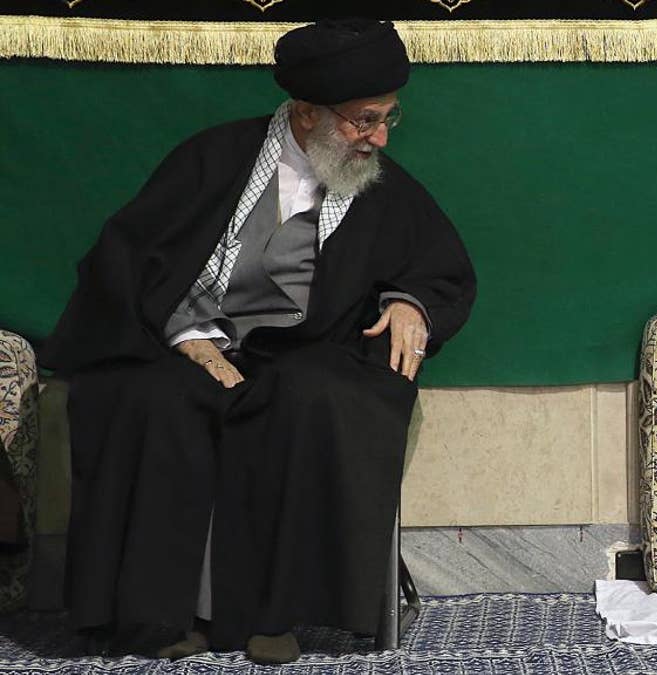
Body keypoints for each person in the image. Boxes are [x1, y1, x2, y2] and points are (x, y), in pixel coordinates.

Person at [40, 18, 476, 664]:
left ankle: (271, 615)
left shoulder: (382, 191)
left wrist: (410, 303)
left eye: (388, 118)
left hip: (299, 359)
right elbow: (126, 260)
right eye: (363, 121)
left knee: (308, 397)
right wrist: (187, 332)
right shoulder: (212, 160)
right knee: (151, 397)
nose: (379, 137)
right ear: (305, 114)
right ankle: (160, 615)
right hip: (186, 345)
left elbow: (442, 269)